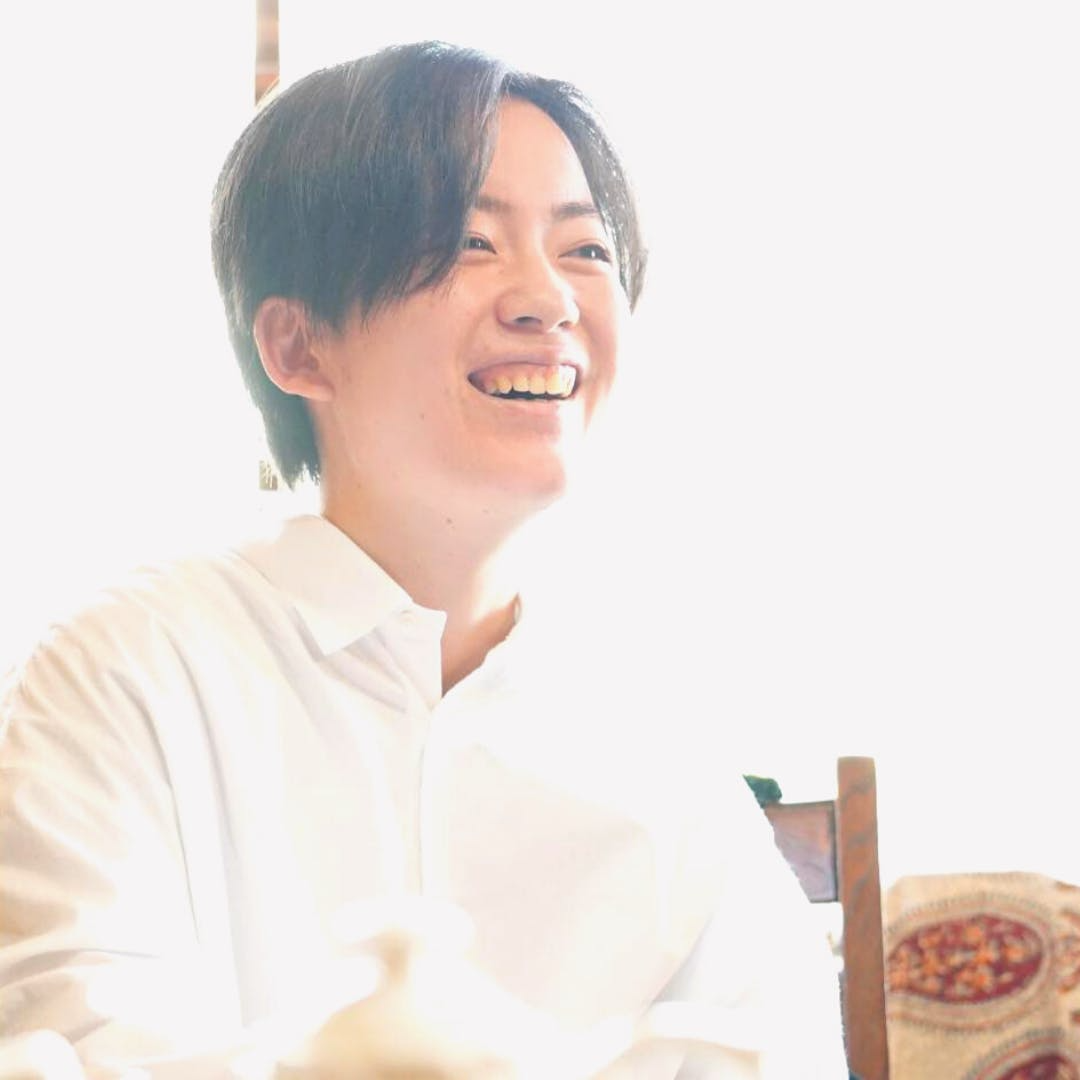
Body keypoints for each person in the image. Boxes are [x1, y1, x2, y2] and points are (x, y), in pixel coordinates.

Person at [0, 41, 847, 1078]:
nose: (549, 299)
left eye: (586, 249)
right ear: (299, 346)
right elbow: (76, 1046)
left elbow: (783, 1055)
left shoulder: (657, 734)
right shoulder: (125, 672)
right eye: (469, 242)